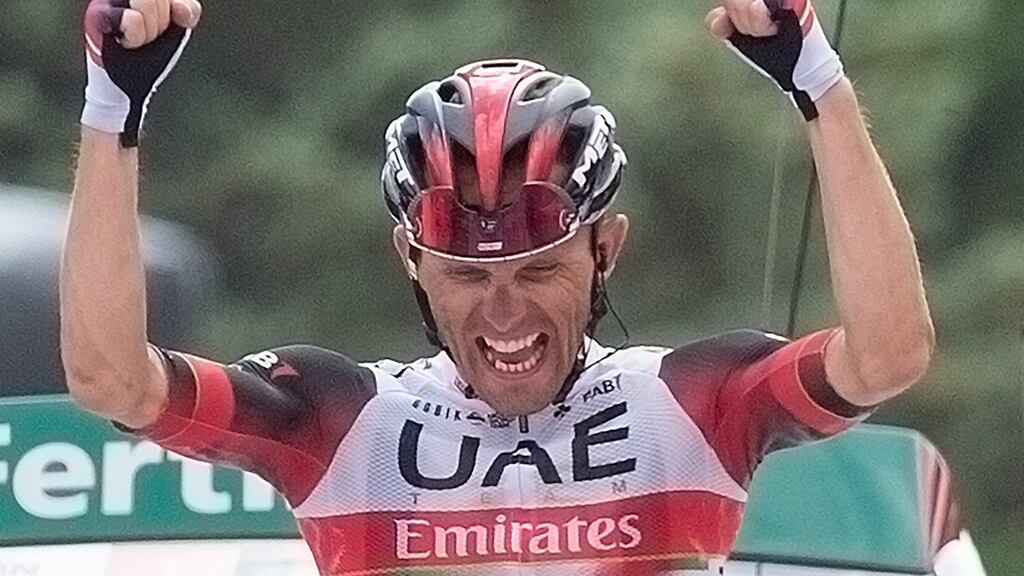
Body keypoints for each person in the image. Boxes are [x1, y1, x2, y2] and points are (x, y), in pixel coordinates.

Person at [61, 0, 934, 574]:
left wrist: (817, 82)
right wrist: (113, 111)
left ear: (607, 251)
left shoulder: (695, 402)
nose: (505, 309)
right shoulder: (338, 419)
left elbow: (887, 353)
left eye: (538, 268)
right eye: (466, 276)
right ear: (411, 260)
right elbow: (112, 379)